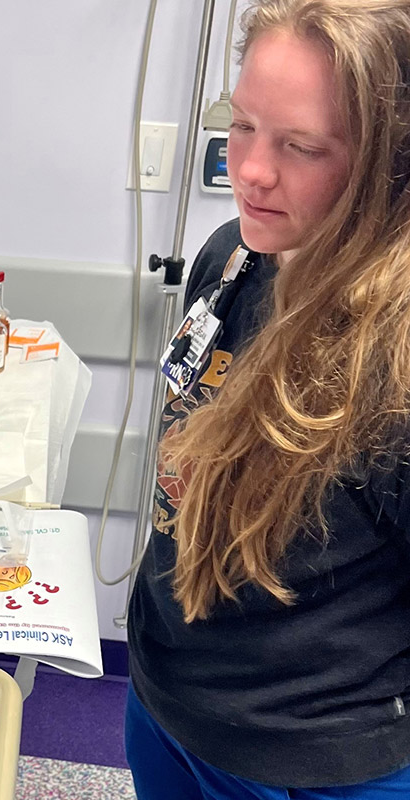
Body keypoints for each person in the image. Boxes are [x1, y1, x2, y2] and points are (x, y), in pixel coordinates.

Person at [128, 1, 410, 797]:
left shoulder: (392, 358)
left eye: (302, 146)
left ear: (392, 160)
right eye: (243, 124)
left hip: (311, 757)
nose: (248, 169)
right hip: (171, 695)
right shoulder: (234, 256)